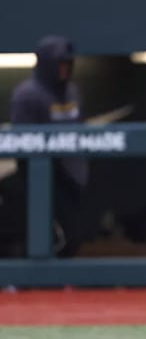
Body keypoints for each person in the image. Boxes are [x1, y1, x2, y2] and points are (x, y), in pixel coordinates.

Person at [10, 35, 91, 257]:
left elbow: (81, 129)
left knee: (75, 234)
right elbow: (21, 145)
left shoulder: (72, 91)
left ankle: (60, 284)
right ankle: (32, 285)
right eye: (59, 64)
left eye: (67, 63)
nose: (64, 69)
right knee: (48, 235)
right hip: (41, 179)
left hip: (72, 174)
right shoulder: (27, 95)